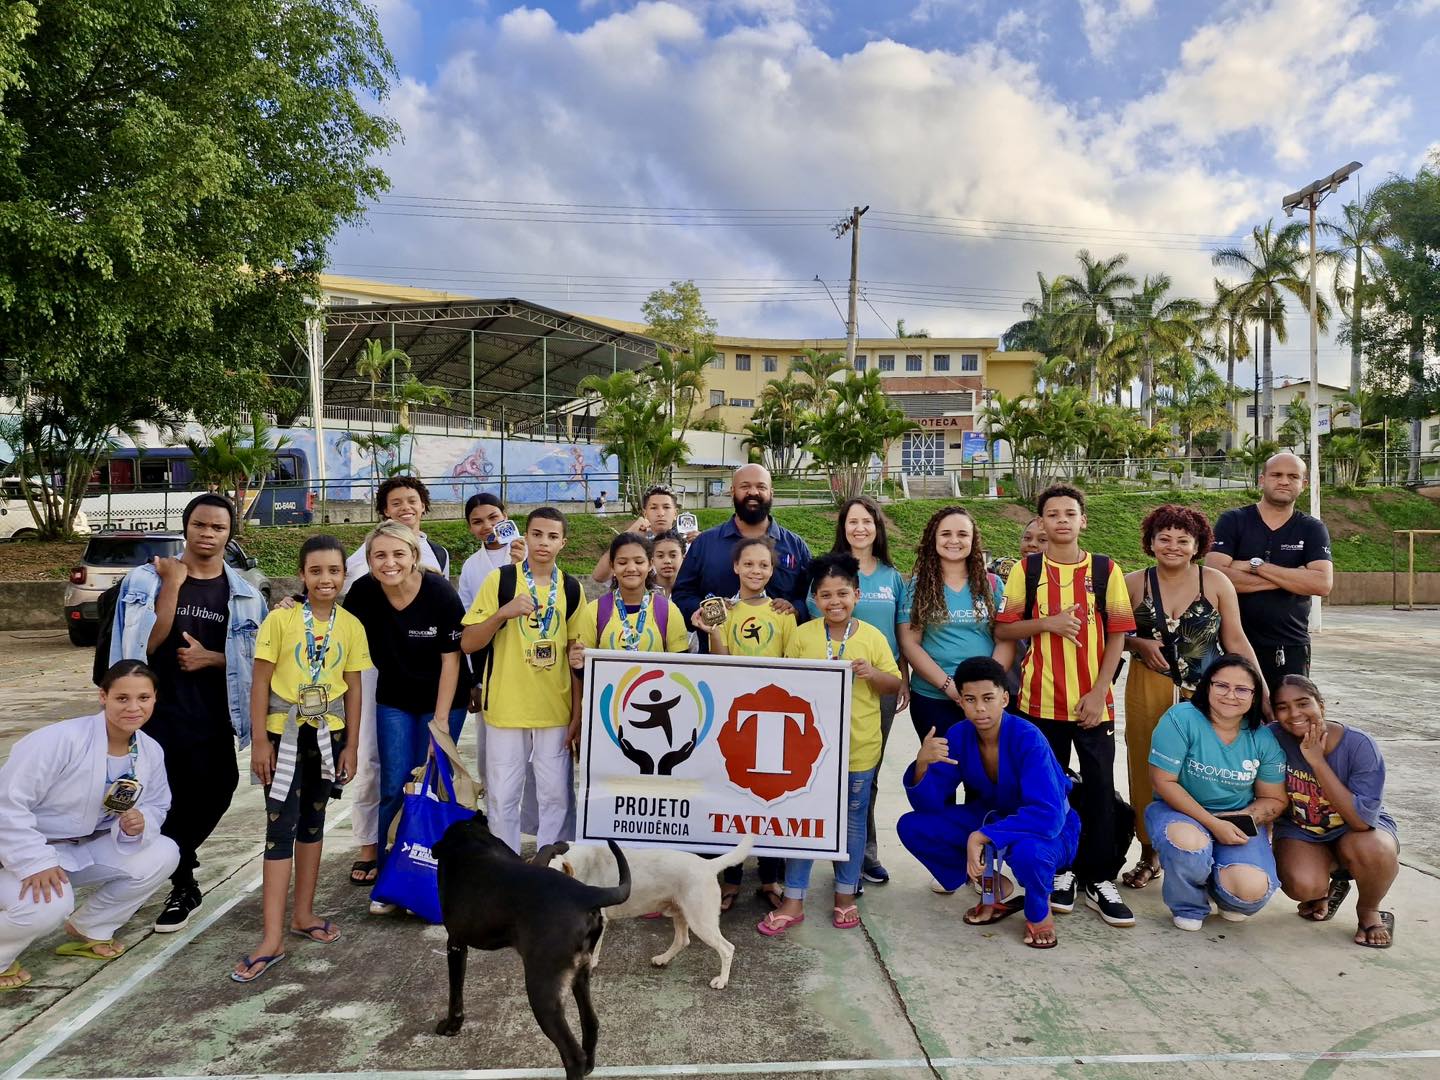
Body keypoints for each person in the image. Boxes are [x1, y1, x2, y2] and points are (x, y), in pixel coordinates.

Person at [109, 492, 265, 932]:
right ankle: (182, 884)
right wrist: (173, 584)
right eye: (200, 524)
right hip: (159, 715)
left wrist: (212, 659)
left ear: (230, 534)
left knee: (219, 789)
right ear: (186, 526)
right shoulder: (146, 581)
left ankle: (164, 862)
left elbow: (257, 664)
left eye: (218, 527)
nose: (208, 534)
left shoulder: (247, 596)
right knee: (165, 800)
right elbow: (144, 648)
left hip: (215, 713)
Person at [994, 484, 1136, 929]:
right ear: (1041, 522)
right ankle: (1061, 872)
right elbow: (1005, 629)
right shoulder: (1026, 569)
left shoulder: (1105, 569)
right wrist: (1048, 624)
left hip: (1093, 704)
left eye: (1069, 513)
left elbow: (1118, 634)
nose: (1061, 520)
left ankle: (1099, 877)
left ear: (1082, 520)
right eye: (1052, 514)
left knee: (1097, 790)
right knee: (1050, 792)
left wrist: (1099, 692)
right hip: (1038, 702)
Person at [235, 536, 369, 982]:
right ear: (302, 575)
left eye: (333, 571)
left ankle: (303, 915)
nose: (325, 579)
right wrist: (259, 740)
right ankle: (271, 937)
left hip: (327, 738)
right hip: (283, 738)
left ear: (343, 575)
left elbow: (354, 686)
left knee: (313, 825)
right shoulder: (281, 620)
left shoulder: (350, 625)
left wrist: (351, 743)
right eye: (315, 571)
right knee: (280, 829)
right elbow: (260, 682)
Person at [0, 662, 180, 991]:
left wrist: (139, 824)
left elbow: (157, 803)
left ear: (155, 700)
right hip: (19, 850)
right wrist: (34, 861)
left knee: (165, 852)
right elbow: (7, 802)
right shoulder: (60, 740)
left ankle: (91, 927)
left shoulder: (149, 751)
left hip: (79, 847)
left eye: (143, 697)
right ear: (103, 697)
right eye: (122, 698)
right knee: (50, 904)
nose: (133, 707)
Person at [1121, 505, 1264, 890]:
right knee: (1145, 764)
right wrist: (1136, 641)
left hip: (1204, 693)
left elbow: (1234, 640)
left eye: (1183, 540)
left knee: (1198, 769)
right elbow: (1110, 634)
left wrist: (1260, 690)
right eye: (1163, 538)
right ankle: (1148, 852)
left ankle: (1199, 848)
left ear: (1198, 544)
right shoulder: (1133, 582)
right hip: (1146, 685)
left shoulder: (1215, 582)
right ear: (1150, 542)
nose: (1173, 546)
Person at [758, 554, 902, 937]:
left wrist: (872, 674)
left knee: (853, 821)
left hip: (858, 747)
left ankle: (844, 895)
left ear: (856, 594)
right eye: (825, 595)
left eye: (842, 593)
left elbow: (894, 683)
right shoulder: (803, 635)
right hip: (809, 754)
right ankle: (794, 898)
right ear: (814, 598)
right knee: (803, 821)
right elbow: (784, 686)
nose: (835, 601)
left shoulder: (872, 637)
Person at [897, 657, 1080, 949]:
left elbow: (1048, 815)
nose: (979, 708)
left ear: (1004, 698)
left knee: (1030, 854)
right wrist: (922, 765)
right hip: (991, 815)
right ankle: (993, 890)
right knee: (912, 827)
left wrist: (981, 836)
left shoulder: (1028, 738)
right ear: (961, 702)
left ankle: (1039, 910)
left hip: (1047, 827)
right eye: (970, 699)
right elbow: (928, 806)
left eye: (988, 698)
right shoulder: (958, 735)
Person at [342, 523, 470, 914]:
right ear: (368, 562)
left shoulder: (439, 594)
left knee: (431, 786)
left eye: (398, 554)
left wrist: (442, 722)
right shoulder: (363, 594)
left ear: (414, 556)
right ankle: (390, 880)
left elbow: (452, 661)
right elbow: (333, 629)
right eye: (380, 555)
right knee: (395, 786)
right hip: (394, 699)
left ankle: (433, 877)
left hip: (442, 700)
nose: (390, 562)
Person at [461, 507, 586, 855]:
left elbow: (575, 659)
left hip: (554, 709)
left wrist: (576, 715)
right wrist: (503, 613)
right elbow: (468, 642)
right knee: (503, 794)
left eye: (552, 536)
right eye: (537, 534)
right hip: (505, 706)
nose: (543, 542)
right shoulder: (500, 581)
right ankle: (508, 869)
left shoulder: (572, 589)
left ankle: (552, 868)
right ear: (525, 537)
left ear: (563, 542)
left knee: (556, 796)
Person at [1145, 655, 1287, 932]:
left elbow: (1274, 798)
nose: (1231, 695)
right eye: (1221, 685)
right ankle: (1188, 903)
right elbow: (1164, 781)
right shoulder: (1181, 718)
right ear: (1207, 686)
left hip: (1236, 816)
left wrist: (1239, 818)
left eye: (1242, 689)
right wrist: (1213, 824)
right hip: (1179, 811)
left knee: (1248, 894)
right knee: (1187, 843)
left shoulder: (1263, 737)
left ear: (1255, 695)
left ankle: (1219, 889)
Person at [810, 496, 908, 886]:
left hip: (877, 685)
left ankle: (865, 852)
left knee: (867, 772)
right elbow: (808, 617)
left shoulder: (891, 576)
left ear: (877, 527)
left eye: (867, 521)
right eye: (852, 522)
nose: (860, 528)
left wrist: (904, 679)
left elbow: (902, 632)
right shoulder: (827, 571)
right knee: (820, 772)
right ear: (843, 527)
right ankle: (818, 845)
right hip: (827, 689)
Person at [692, 535, 793, 909]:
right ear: (736, 567)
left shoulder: (784, 614)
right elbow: (721, 660)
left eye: (763, 565)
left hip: (772, 718)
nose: (756, 571)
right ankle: (730, 879)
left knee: (769, 796)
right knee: (734, 795)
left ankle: (770, 877)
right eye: (748, 564)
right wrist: (713, 630)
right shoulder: (721, 610)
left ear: (772, 570)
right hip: (732, 717)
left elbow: (791, 663)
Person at [1270, 676, 1399, 948]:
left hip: (1356, 831)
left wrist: (1316, 761)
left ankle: (1369, 909)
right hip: (1302, 830)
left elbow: (1361, 822)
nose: (1294, 714)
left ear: (1322, 705)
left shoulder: (1359, 745)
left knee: (1375, 849)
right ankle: (1328, 886)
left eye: (1303, 703)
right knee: (1301, 886)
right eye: (1283, 707)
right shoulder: (1272, 738)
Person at [1206, 452, 1333, 694]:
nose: (1284, 481)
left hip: (1289, 646)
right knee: (1233, 720)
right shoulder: (1234, 521)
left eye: (1293, 476)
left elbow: (1322, 584)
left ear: (1303, 485)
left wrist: (1255, 566)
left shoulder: (1311, 528)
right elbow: (1215, 578)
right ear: (1261, 480)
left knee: (1282, 722)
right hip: (1230, 644)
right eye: (1276, 475)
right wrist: (1293, 578)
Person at [899, 506, 1012, 744]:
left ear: (973, 540)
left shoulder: (991, 584)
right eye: (945, 534)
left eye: (962, 534)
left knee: (984, 776)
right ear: (934, 539)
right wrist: (950, 687)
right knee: (940, 771)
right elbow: (910, 644)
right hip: (933, 698)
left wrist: (987, 686)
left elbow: (1004, 638)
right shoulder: (916, 587)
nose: (954, 540)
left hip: (985, 700)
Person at [671, 464, 811, 646]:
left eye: (761, 487)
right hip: (716, 662)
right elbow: (682, 594)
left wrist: (797, 609)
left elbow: (812, 596)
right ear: (732, 491)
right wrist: (706, 610)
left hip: (780, 664)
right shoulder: (705, 543)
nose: (753, 492)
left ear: (771, 492)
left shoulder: (795, 546)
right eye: (745, 486)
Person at [570, 533, 688, 661]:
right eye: (622, 562)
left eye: (639, 562)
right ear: (612, 566)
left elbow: (681, 667)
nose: (631, 568)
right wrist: (578, 665)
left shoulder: (668, 610)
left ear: (650, 564)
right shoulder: (594, 610)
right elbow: (586, 668)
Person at [591, 484, 699, 585]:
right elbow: (599, 576)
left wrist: (707, 545)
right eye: (654, 508)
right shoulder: (633, 546)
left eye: (666, 507)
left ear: (675, 513)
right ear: (645, 513)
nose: (660, 513)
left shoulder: (692, 544)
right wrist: (626, 536)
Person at [458, 493, 526, 610]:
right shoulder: (470, 565)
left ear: (505, 517)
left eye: (493, 517)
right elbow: (465, 609)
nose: (487, 526)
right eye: (477, 522)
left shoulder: (531, 550)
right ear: (470, 527)